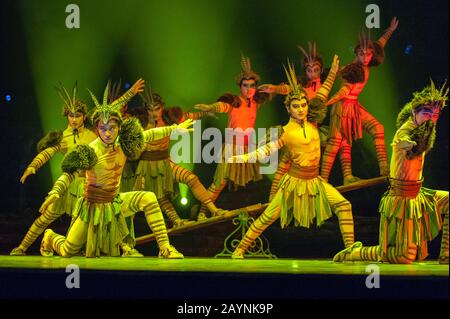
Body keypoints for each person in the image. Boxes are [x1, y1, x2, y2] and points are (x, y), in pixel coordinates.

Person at [39, 79, 193, 258]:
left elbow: (150, 134)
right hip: (92, 207)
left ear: (119, 128)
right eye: (103, 128)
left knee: (149, 198)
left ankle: (165, 248)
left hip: (115, 202)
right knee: (67, 251)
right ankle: (50, 237)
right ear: (97, 129)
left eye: (112, 128)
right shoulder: (91, 151)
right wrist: (54, 193)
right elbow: (68, 174)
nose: (107, 132)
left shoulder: (124, 142)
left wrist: (176, 128)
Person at [230, 57, 363, 260]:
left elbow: (324, 91)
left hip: (315, 181)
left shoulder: (312, 121)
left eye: (303, 105)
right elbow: (265, 151)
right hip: (294, 183)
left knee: (344, 205)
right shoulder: (285, 132)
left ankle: (351, 251)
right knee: (268, 216)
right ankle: (239, 249)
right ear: (288, 108)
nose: (301, 109)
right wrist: (242, 158)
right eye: (296, 106)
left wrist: (334, 70)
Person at [333, 80, 449, 264]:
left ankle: (446, 256)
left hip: (418, 195)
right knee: (401, 257)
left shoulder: (425, 129)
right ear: (414, 112)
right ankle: (356, 253)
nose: (431, 119)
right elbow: (402, 140)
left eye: (435, 115)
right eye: (427, 113)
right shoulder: (406, 131)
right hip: (402, 201)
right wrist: (408, 144)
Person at [10, 83, 97, 256]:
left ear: (84, 116)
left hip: (85, 188)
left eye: (77, 115)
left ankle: (77, 248)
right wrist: (33, 166)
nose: (74, 119)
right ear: (67, 116)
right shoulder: (62, 137)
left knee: (82, 222)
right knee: (44, 218)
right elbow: (48, 152)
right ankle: (22, 247)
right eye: (71, 115)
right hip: (66, 187)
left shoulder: (93, 136)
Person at [129, 86, 226, 228]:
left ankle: (214, 210)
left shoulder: (170, 117)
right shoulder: (140, 124)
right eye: (150, 109)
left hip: (165, 161)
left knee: (191, 178)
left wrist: (206, 113)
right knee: (160, 196)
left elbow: (189, 116)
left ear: (162, 108)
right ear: (146, 110)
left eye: (157, 109)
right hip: (147, 166)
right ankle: (176, 221)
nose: (154, 113)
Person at [320, 17, 399, 185]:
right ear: (356, 53)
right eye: (362, 54)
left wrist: (390, 30)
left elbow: (380, 43)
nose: (366, 57)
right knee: (336, 144)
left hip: (354, 106)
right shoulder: (353, 69)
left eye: (368, 54)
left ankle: (381, 168)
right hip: (341, 108)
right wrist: (327, 102)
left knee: (376, 128)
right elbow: (344, 90)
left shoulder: (367, 64)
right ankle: (323, 181)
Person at [194, 54, 271, 219]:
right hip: (232, 147)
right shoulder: (235, 101)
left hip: (248, 147)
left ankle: (268, 207)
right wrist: (210, 107)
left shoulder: (256, 102)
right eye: (245, 86)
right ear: (240, 87)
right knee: (219, 182)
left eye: (251, 86)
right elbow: (222, 106)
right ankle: (202, 212)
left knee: (259, 178)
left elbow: (274, 91)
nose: (249, 89)